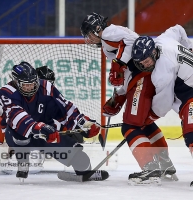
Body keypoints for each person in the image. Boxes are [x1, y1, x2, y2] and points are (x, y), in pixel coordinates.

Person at [80, 12, 177, 185]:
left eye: (88, 34)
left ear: (97, 28)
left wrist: (118, 64)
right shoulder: (106, 43)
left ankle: (150, 168)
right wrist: (118, 97)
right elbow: (124, 74)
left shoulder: (109, 32)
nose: (88, 38)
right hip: (140, 79)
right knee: (143, 123)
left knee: (130, 125)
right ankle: (165, 164)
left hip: (143, 78)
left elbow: (131, 41)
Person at [0, 61, 109, 181]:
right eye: (25, 85)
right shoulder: (6, 92)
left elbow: (65, 108)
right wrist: (39, 127)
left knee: (81, 157)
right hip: (18, 135)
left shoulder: (46, 86)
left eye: (33, 83)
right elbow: (16, 116)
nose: (30, 87)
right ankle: (23, 160)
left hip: (47, 133)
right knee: (19, 137)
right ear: (16, 82)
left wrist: (83, 123)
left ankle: (85, 171)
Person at [131, 25, 193, 179]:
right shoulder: (163, 40)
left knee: (192, 134)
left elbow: (163, 105)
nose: (145, 65)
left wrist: (148, 117)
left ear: (153, 53)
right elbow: (178, 29)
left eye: (146, 61)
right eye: (141, 63)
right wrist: (189, 47)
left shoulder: (161, 71)